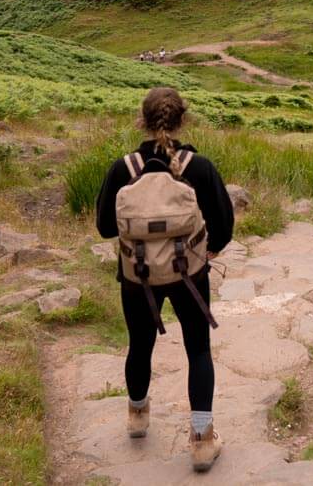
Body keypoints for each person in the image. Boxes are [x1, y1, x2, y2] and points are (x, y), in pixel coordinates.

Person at [96, 87, 235, 473]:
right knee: (198, 350)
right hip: (189, 273)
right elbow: (224, 226)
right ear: (182, 120)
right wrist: (207, 252)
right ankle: (202, 441)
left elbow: (106, 227)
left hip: (137, 276)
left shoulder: (122, 169)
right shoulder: (200, 167)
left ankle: (137, 415)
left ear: (142, 121)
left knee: (139, 345)